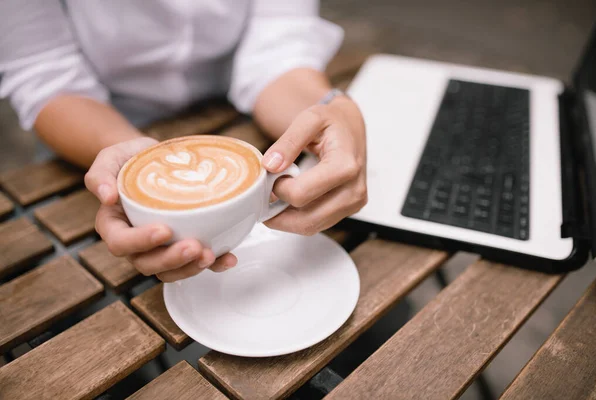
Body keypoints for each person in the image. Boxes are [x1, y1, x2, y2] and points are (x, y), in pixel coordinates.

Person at [0, 0, 367, 282]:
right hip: (92, 132)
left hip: (237, 113)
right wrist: (123, 154)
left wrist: (323, 111)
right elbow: (44, 72)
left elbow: (279, 45)